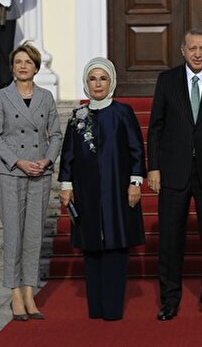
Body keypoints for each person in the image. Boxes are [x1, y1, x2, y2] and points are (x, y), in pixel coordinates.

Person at [147, 28, 202, 321]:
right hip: (173, 172)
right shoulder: (167, 80)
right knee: (171, 240)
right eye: (192, 48)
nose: (198, 53)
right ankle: (169, 299)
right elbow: (156, 126)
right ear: (182, 50)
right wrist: (154, 167)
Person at [58, 57, 146, 321]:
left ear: (112, 81)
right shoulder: (78, 116)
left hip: (117, 190)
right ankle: (95, 308)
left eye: (103, 78)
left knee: (116, 248)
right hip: (87, 193)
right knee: (91, 248)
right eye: (93, 79)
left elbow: (135, 149)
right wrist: (66, 185)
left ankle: (112, 308)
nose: (98, 84)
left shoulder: (123, 112)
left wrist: (135, 181)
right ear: (86, 83)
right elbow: (69, 153)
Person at [0, 42, 62, 321]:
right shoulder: (1, 97)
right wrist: (18, 161)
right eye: (18, 61)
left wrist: (47, 160)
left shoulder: (46, 97)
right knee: (13, 234)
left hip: (39, 173)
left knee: (32, 236)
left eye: (27, 62)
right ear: (12, 66)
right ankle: (15, 293)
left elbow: (55, 135)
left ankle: (30, 291)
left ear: (36, 67)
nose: (22, 66)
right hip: (11, 172)